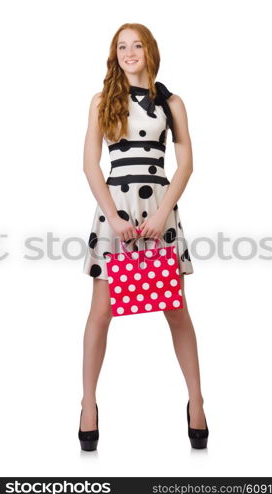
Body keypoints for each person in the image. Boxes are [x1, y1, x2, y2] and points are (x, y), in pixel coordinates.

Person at [78, 23, 209, 451]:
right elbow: (91, 166)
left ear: (150, 51)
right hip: (116, 213)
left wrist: (165, 210)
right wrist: (114, 218)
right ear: (114, 54)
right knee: (102, 312)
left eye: (137, 45)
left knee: (176, 309)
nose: (129, 52)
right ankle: (88, 404)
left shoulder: (171, 103)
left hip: (160, 211)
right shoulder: (102, 101)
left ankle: (196, 401)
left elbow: (185, 163)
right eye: (122, 46)